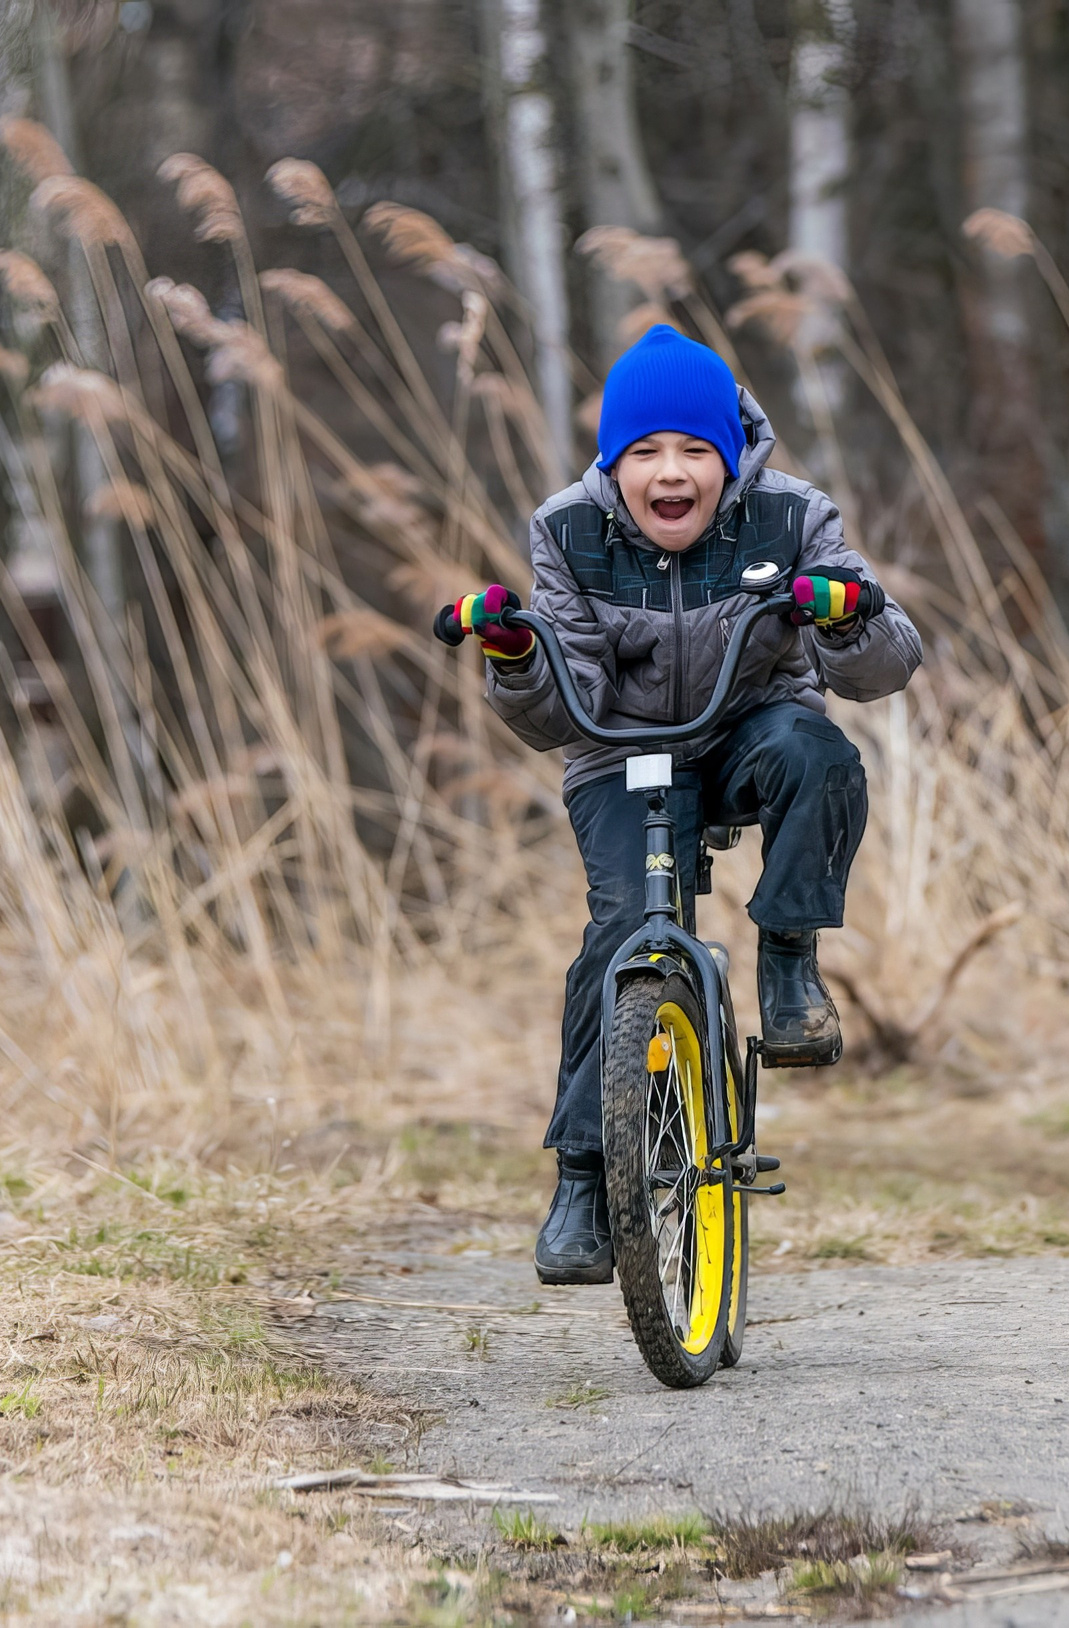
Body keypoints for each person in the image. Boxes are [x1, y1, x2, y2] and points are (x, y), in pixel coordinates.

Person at [434, 324, 922, 1286]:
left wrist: (846, 611)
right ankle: (582, 1176)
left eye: (696, 450)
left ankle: (788, 964)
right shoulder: (567, 529)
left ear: (731, 459)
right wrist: (514, 655)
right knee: (618, 933)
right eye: (646, 452)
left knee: (820, 752)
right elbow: (550, 707)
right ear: (613, 465)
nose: (672, 472)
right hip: (621, 751)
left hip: (749, 728)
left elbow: (888, 660)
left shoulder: (790, 517)